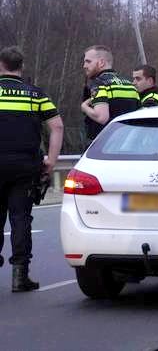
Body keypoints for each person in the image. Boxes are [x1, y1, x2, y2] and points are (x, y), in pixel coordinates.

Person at [0, 46, 64, 292]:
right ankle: (20, 277)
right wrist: (52, 160)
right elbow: (56, 127)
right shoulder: (34, 94)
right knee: (20, 219)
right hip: (25, 166)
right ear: (21, 66)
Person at [81, 45, 140, 141]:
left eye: (88, 61)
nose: (84, 66)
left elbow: (102, 117)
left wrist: (84, 107)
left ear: (101, 63)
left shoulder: (99, 83)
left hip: (104, 145)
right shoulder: (129, 85)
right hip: (129, 143)